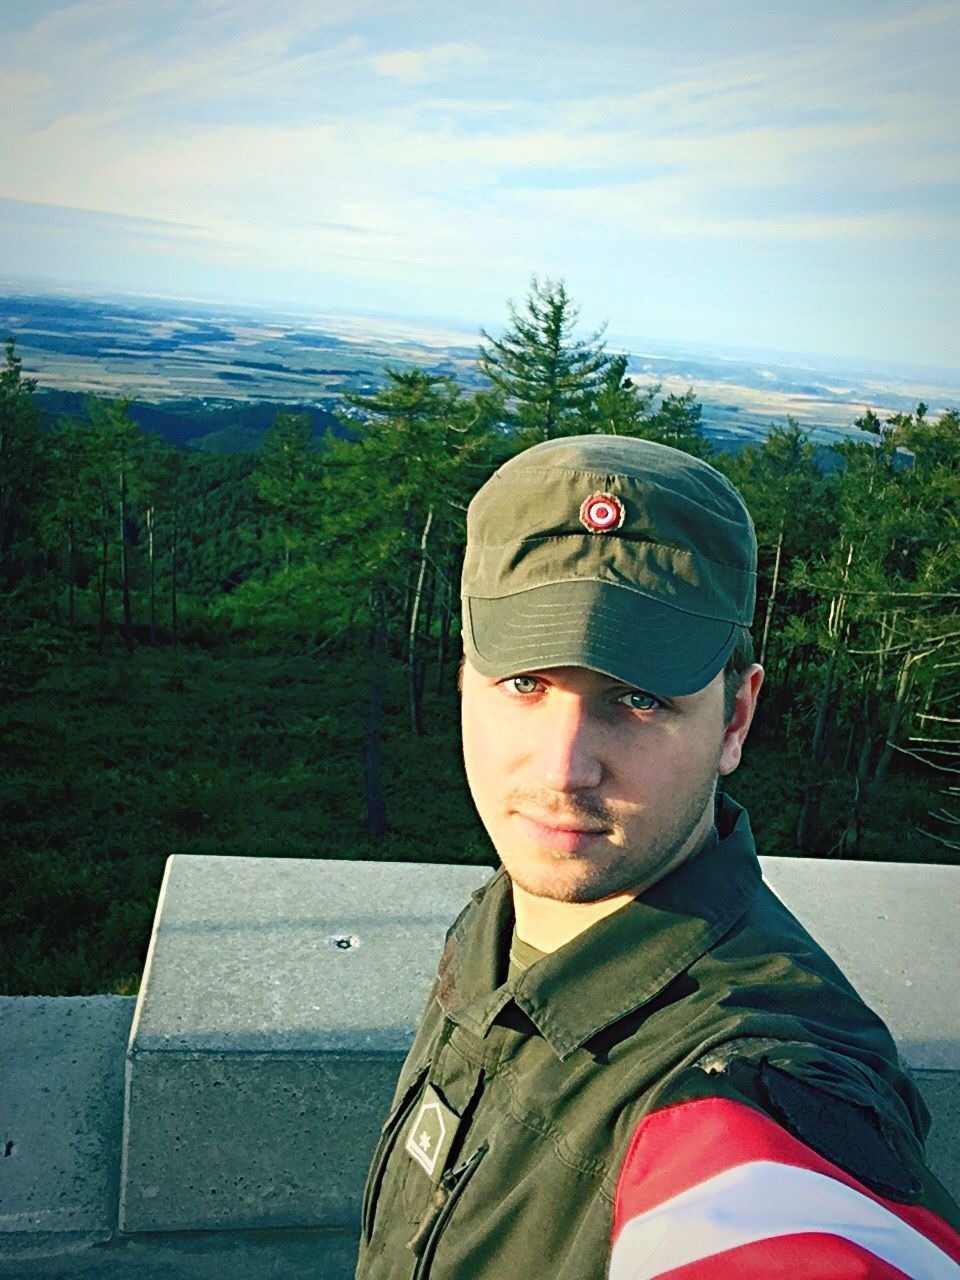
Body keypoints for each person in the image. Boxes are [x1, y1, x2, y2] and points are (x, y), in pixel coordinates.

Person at [355, 434, 960, 1279]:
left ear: (736, 719)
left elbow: (780, 1218)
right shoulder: (506, 918)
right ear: (464, 680)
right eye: (525, 683)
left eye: (636, 700)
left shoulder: (761, 1083)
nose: (564, 768)